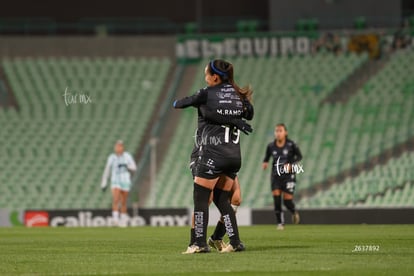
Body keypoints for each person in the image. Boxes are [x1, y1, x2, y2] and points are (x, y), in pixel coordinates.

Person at [174, 59, 253, 253]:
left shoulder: (207, 94)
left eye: (206, 74)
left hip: (211, 153)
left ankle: (198, 243)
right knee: (224, 200)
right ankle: (233, 242)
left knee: (201, 198)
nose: (205, 77)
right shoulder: (238, 95)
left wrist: (185, 101)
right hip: (234, 156)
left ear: (215, 77)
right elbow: (249, 114)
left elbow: (179, 104)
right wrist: (235, 118)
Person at [262, 124, 302, 230]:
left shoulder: (291, 144)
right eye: (276, 131)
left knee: (287, 201)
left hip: (289, 176)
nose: (278, 133)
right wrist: (265, 162)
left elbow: (299, 156)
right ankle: (280, 223)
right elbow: (266, 157)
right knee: (276, 198)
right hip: (276, 176)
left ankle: (293, 211)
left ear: (285, 132)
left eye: (280, 131)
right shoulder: (271, 146)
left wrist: (291, 164)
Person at [101, 140, 137, 227]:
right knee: (116, 198)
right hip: (115, 180)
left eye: (119, 146)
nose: (117, 148)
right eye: (116, 146)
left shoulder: (127, 156)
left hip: (125, 180)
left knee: (123, 201)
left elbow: (134, 167)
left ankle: (123, 220)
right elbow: (107, 169)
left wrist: (126, 165)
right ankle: (115, 219)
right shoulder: (111, 157)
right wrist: (104, 181)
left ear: (122, 147)